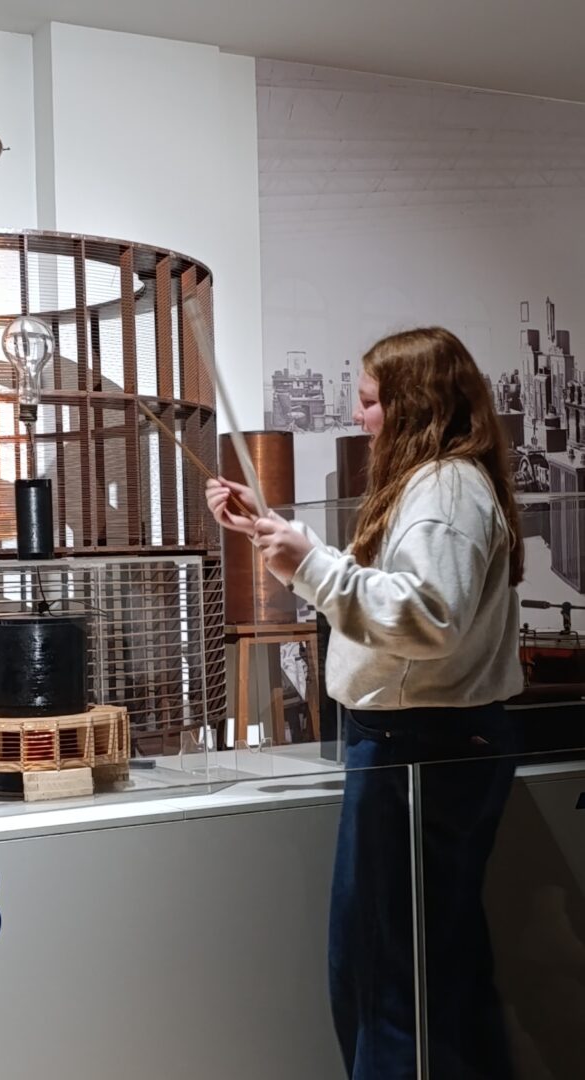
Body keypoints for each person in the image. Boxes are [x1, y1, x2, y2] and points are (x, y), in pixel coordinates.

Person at [206, 327, 523, 1080]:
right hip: (430, 744)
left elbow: (427, 617)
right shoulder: (444, 483)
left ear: (415, 403)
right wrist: (285, 542)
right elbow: (397, 595)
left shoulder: (443, 489)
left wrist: (310, 563)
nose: (359, 416)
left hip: (417, 748)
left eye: (371, 400)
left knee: (387, 978)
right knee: (433, 969)